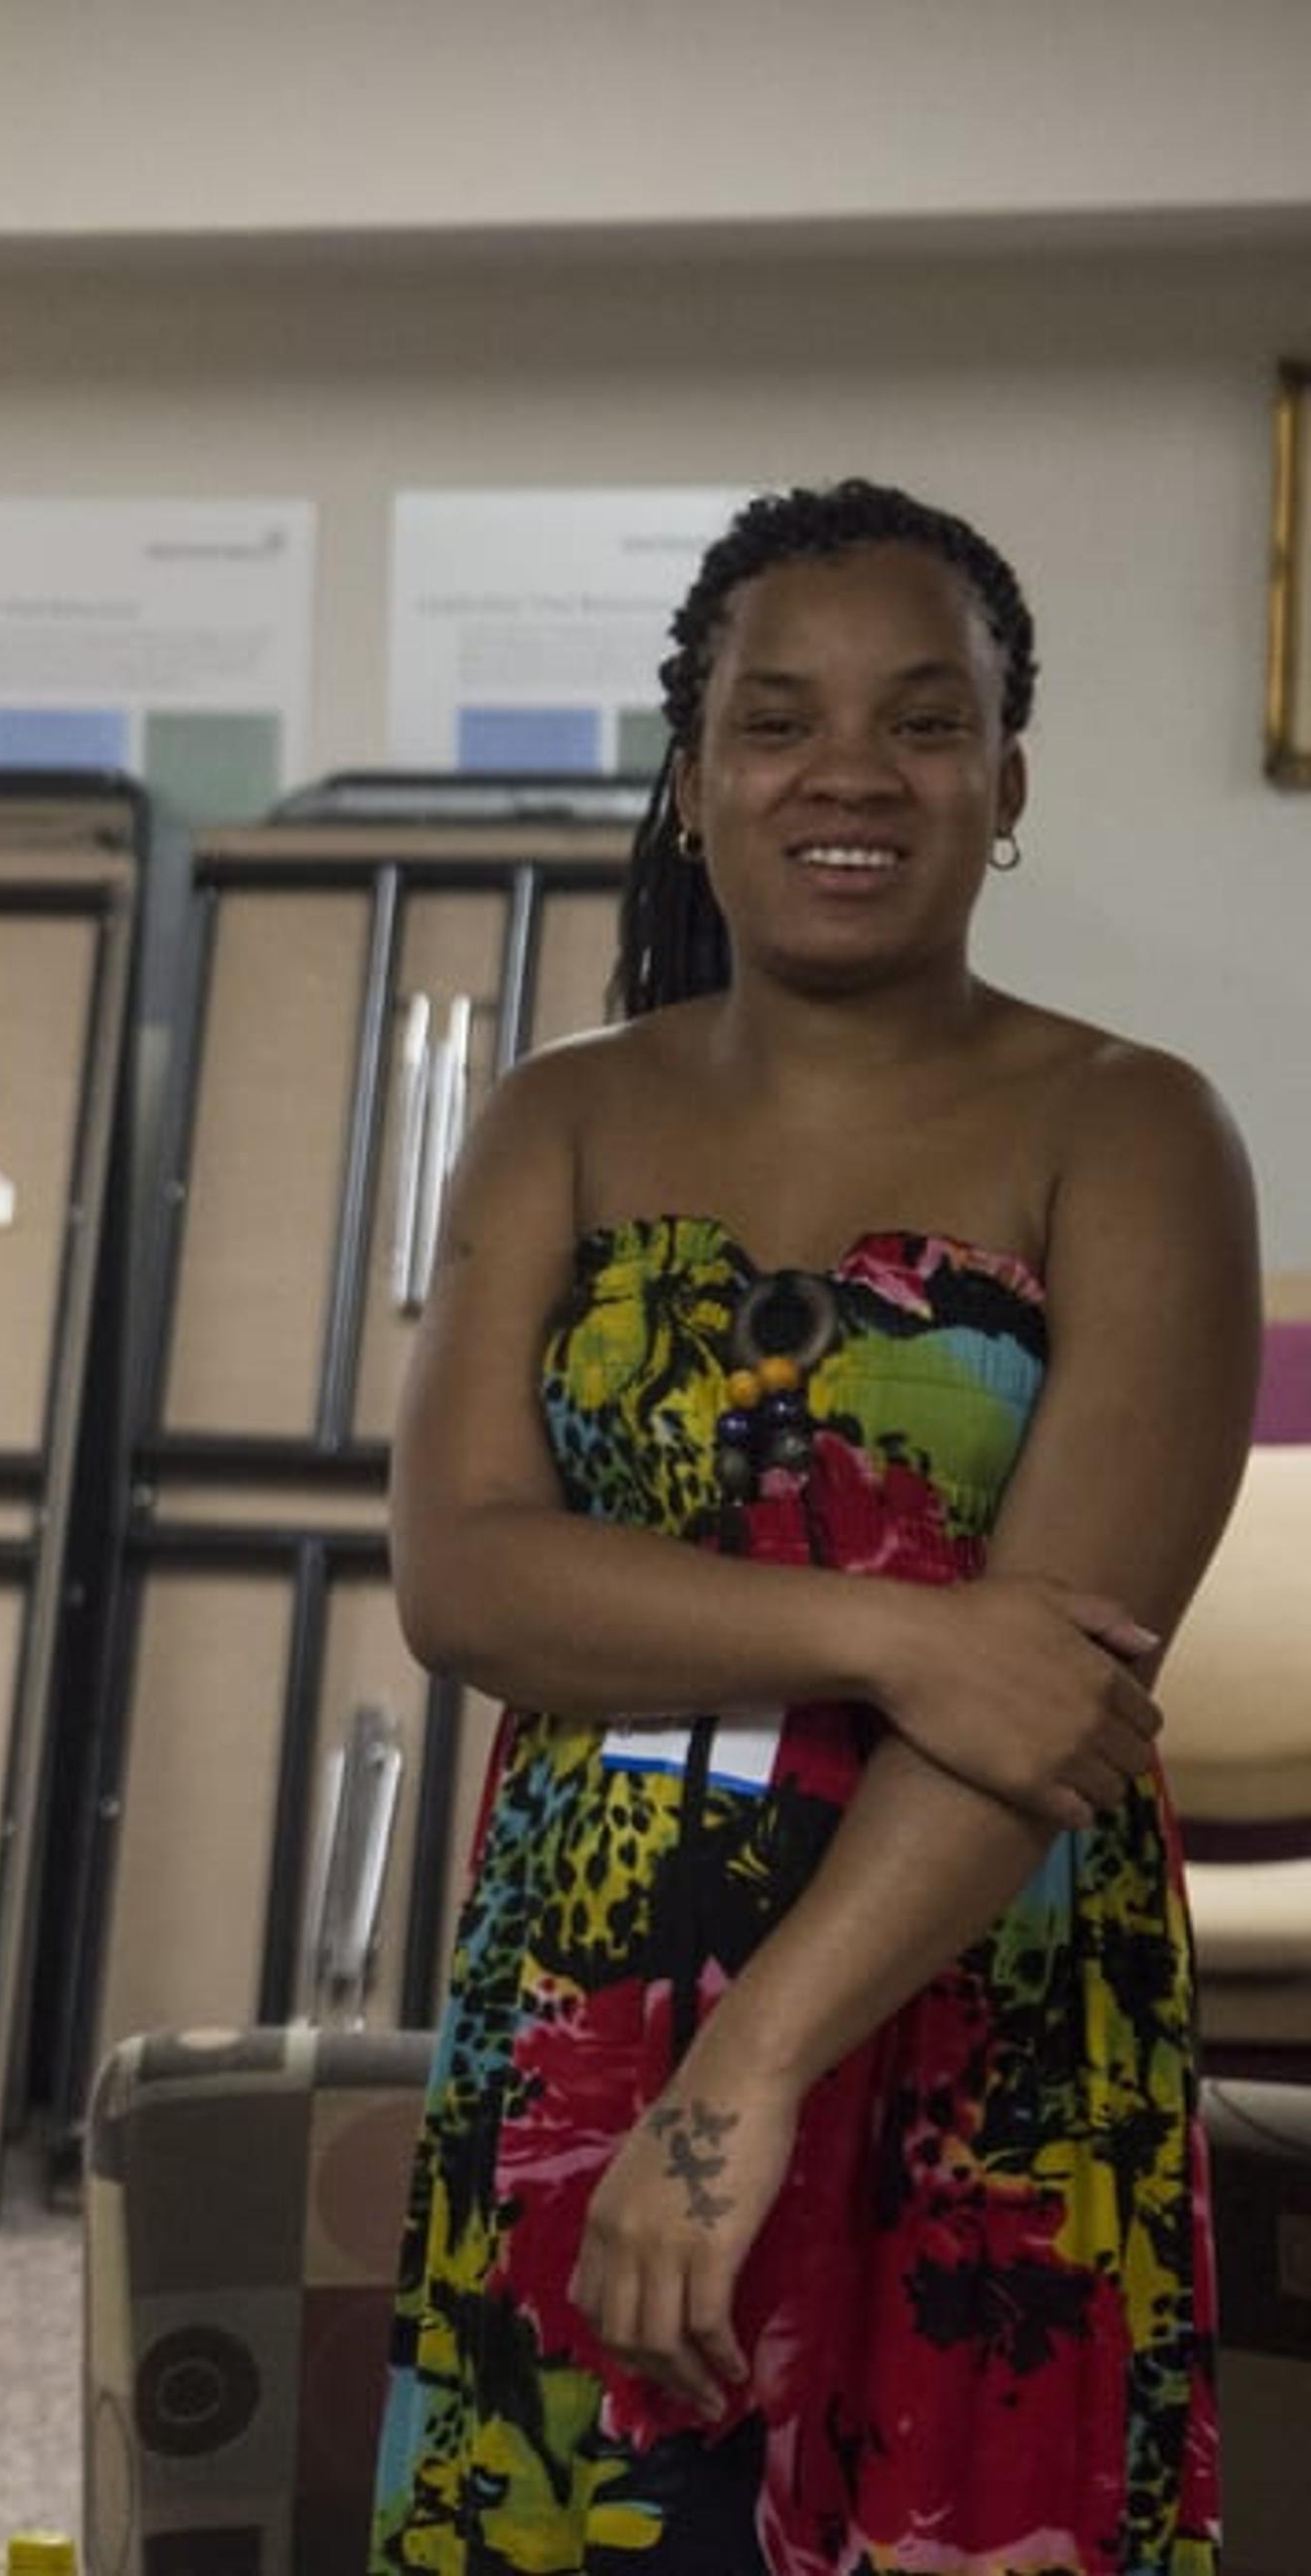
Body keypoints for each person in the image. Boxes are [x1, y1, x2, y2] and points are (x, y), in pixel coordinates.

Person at [374, 480, 1249, 2568]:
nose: (850, 771)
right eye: (778, 720)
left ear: (1007, 780)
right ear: (694, 781)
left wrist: (746, 2073)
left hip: (977, 2016)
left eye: (925, 721)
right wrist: (896, 1630)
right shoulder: (560, 1113)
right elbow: (464, 1569)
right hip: (585, 2003)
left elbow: (1045, 1703)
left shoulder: (1131, 1128)